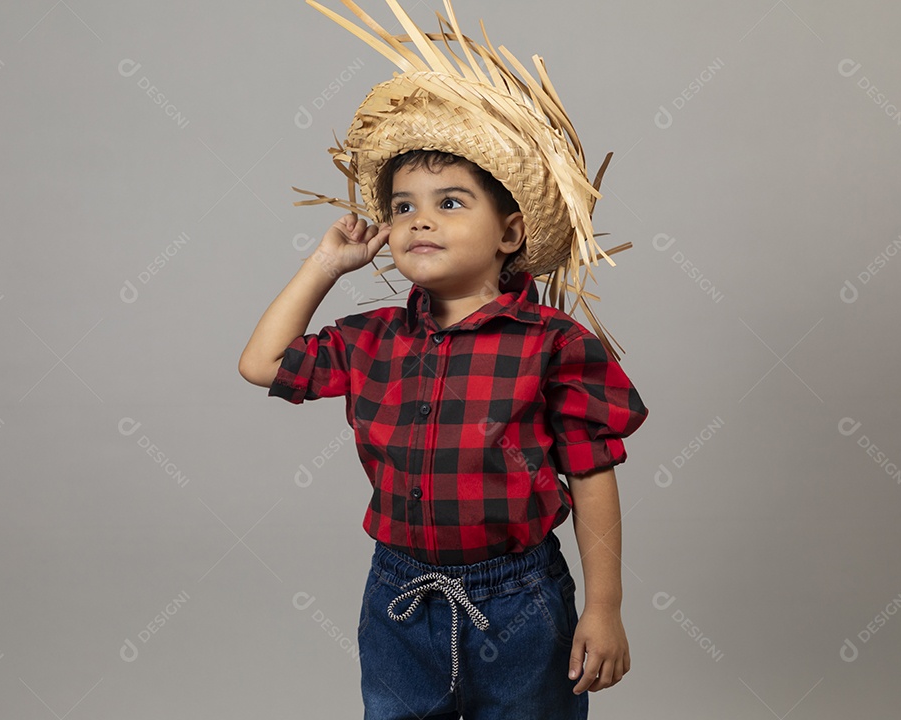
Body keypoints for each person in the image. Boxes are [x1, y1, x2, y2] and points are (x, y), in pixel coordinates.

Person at [239, 2, 648, 717]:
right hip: (400, 593)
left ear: (510, 231)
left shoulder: (554, 344)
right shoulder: (371, 341)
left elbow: (591, 479)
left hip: (521, 597)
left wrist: (605, 608)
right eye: (401, 207)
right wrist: (324, 264)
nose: (418, 219)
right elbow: (264, 364)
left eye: (451, 202)